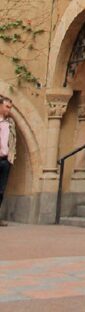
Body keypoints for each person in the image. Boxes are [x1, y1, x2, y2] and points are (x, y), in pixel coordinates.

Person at [0, 95, 16, 226]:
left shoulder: (10, 122)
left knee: (1, 190)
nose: (9, 110)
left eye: (10, 107)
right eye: (7, 107)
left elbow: (13, 140)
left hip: (5, 160)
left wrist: (12, 156)